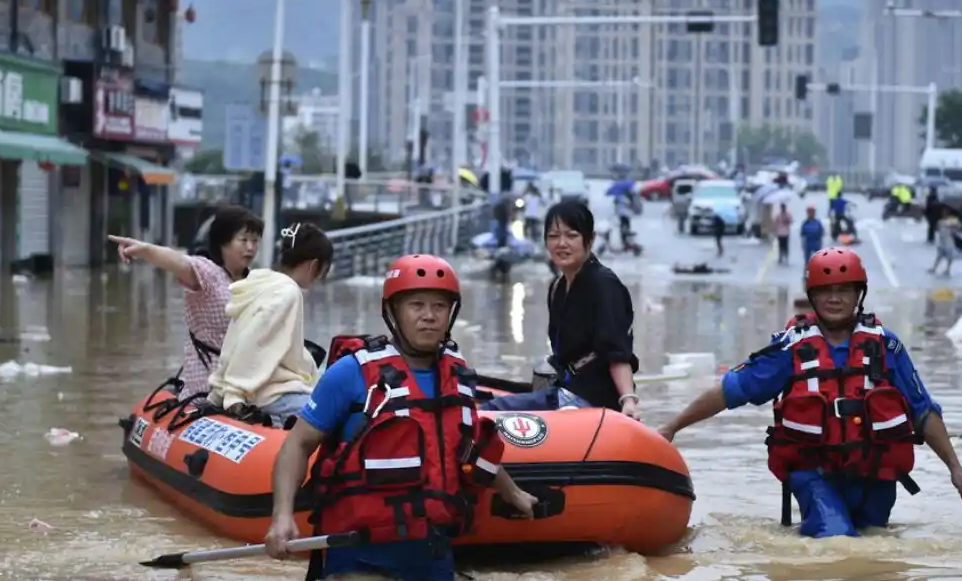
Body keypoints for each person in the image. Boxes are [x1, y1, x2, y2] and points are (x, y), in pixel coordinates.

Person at [657, 247, 962, 538]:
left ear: (858, 295)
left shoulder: (886, 345)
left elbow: (922, 410)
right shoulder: (790, 348)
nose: (834, 298)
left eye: (843, 290)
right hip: (815, 474)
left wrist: (955, 467)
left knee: (874, 549)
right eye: (825, 291)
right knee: (837, 539)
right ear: (812, 296)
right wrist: (673, 427)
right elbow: (728, 392)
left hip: (875, 475)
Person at [264, 255, 538, 580]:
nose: (428, 316)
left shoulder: (457, 374)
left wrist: (514, 494)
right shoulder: (351, 373)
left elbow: (467, 448)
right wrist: (281, 516)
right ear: (393, 311)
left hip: (431, 552)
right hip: (360, 553)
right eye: (416, 305)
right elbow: (296, 445)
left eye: (439, 306)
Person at [481, 200, 640, 417]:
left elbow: (616, 352)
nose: (561, 243)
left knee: (489, 413)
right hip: (564, 389)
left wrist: (628, 400)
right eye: (554, 236)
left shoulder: (604, 285)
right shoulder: (557, 287)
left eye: (571, 235)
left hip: (591, 399)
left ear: (589, 240)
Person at [109, 205, 263, 399]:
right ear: (223, 242)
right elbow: (178, 261)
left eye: (255, 241)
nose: (250, 247)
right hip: (207, 386)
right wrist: (144, 249)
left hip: (246, 385)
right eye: (244, 240)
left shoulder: (257, 282)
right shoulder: (208, 273)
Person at [206, 223, 333, 425]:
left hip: (252, 387)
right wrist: (234, 395)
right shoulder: (288, 292)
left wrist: (219, 389)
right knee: (336, 413)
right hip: (270, 395)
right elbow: (253, 340)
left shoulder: (262, 282)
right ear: (314, 265)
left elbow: (238, 339)